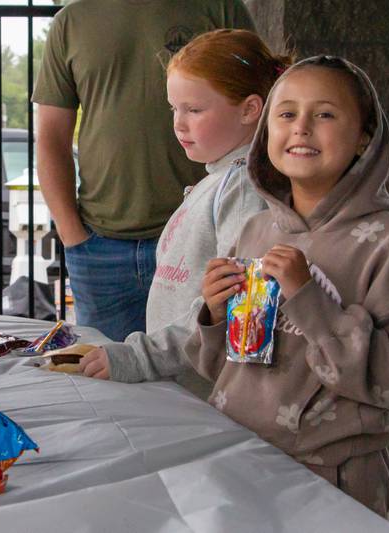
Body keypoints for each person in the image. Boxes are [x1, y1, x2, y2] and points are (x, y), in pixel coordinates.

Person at [187, 56, 389, 517]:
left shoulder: (387, 240)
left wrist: (309, 300)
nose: (301, 127)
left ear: (365, 136)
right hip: (239, 457)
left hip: (333, 476)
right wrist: (216, 314)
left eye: (324, 114)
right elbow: (221, 367)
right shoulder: (256, 230)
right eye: (285, 114)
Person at [77, 29, 289, 400]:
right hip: (188, 389)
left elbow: (240, 310)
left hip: (209, 400)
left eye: (194, 110)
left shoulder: (243, 190)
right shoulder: (222, 179)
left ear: (250, 109)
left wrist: (139, 358)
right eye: (174, 108)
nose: (178, 123)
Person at [33, 0, 256, 341]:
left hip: (201, 238)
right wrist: (72, 235)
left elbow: (257, 99)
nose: (180, 120)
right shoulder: (71, 21)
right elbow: (49, 138)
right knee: (110, 382)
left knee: (198, 377)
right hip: (99, 247)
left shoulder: (220, 6)